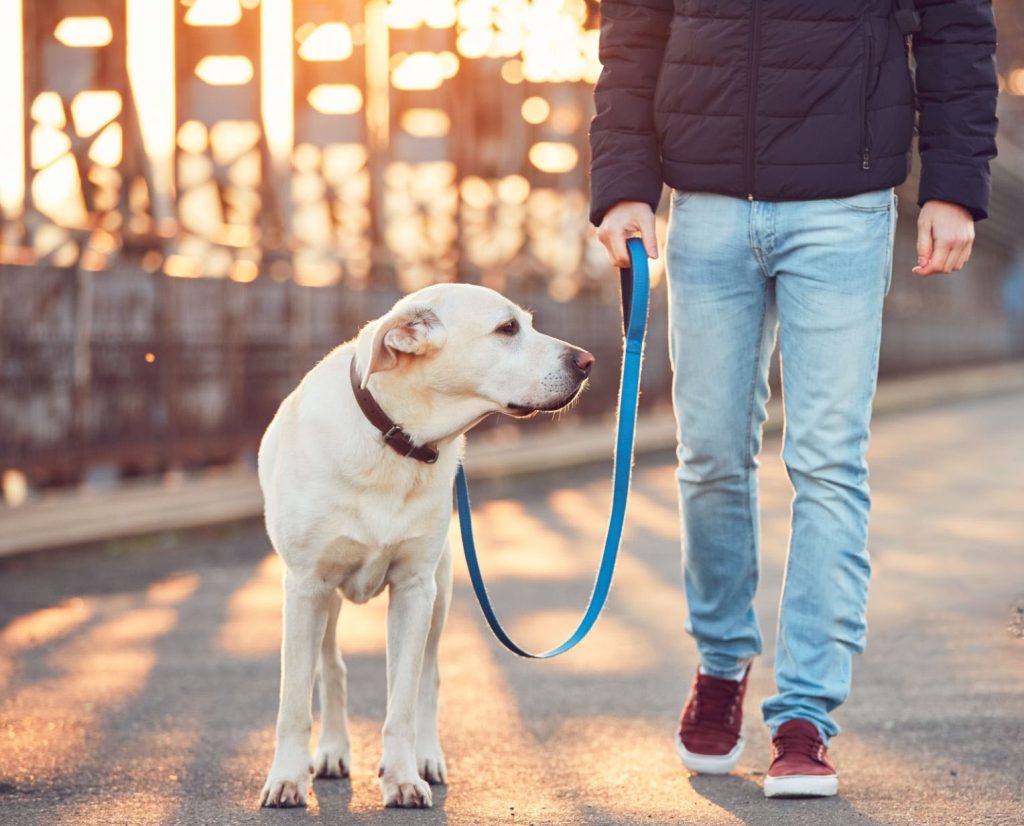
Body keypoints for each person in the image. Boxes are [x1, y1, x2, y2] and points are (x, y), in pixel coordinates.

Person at [589, 0, 998, 799]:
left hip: (845, 207)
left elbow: (957, 28)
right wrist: (623, 186)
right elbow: (633, 31)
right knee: (708, 454)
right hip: (704, 204)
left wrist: (955, 183)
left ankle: (805, 715)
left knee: (828, 461)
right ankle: (719, 663)